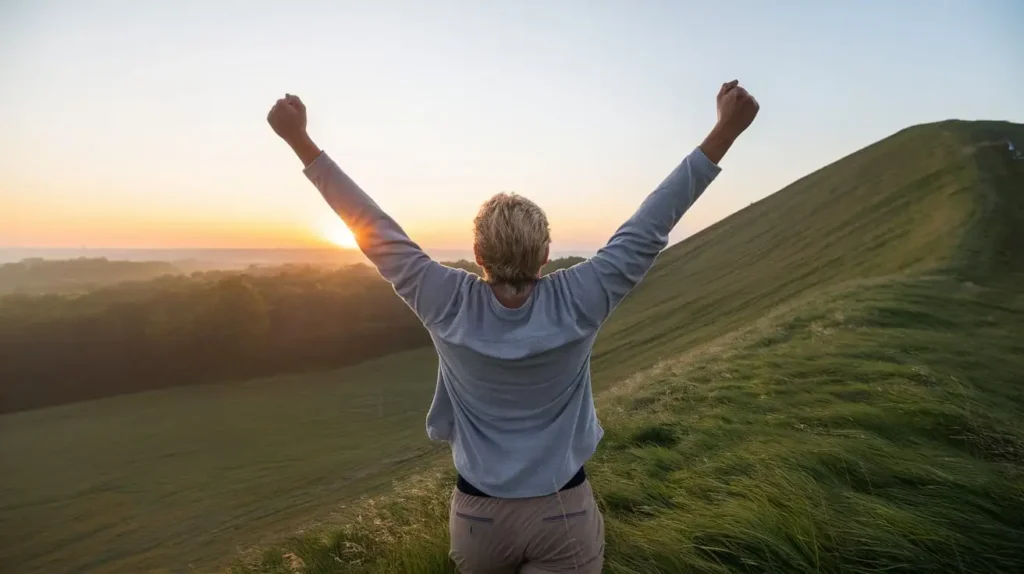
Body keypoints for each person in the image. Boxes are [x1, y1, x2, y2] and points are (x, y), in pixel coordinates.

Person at [267, 80, 758, 573]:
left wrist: (300, 142)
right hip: (562, 511)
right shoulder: (581, 298)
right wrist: (724, 132)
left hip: (478, 517)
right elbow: (651, 224)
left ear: (478, 255)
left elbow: (373, 228)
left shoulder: (445, 300)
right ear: (546, 255)